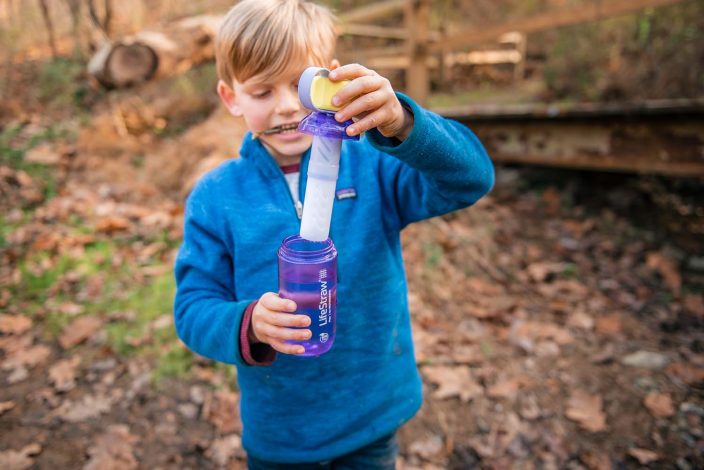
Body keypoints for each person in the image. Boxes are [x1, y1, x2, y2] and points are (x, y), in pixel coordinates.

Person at [173, 0, 494, 468]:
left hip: (371, 412)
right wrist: (249, 323)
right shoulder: (217, 197)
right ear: (231, 99)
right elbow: (192, 307)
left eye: (300, 85)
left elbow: (470, 179)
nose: (285, 106)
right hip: (283, 428)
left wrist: (403, 124)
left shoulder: (373, 165)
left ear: (330, 81)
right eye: (261, 92)